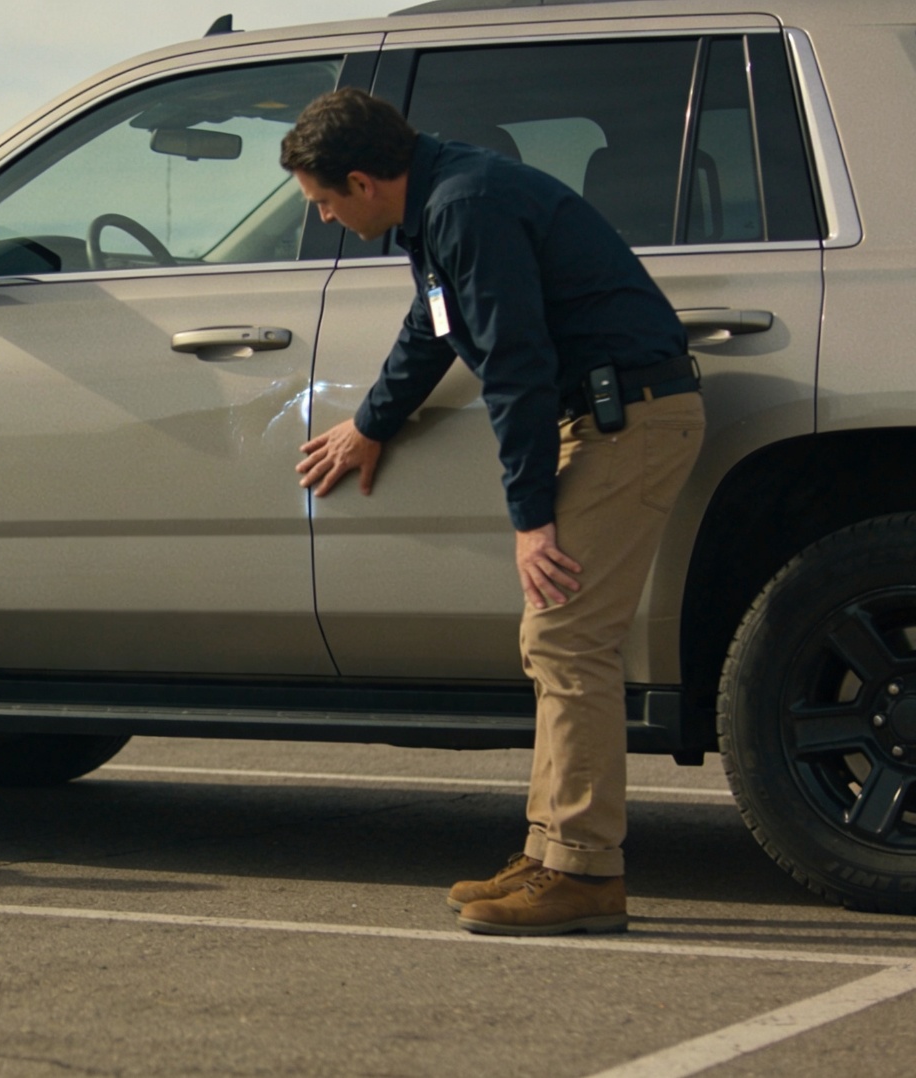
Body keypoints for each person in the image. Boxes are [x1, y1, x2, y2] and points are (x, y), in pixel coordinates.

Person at [283, 88, 703, 935]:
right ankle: (551, 853)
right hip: (610, 418)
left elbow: (516, 366)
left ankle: (585, 872)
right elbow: (435, 326)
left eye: (323, 202)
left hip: (631, 422)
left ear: (363, 181)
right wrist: (371, 425)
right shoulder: (442, 203)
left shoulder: (465, 205)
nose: (325, 218)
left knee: (568, 637)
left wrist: (531, 518)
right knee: (551, 636)